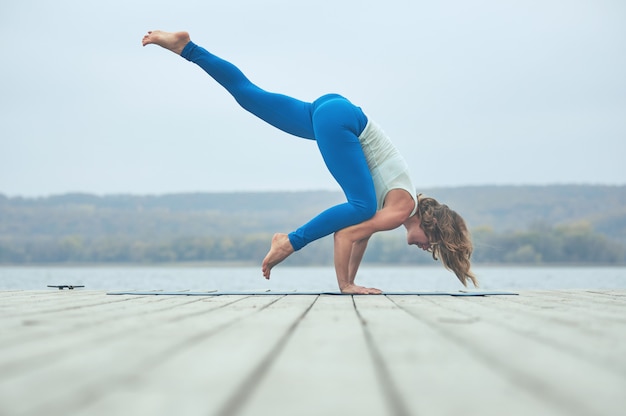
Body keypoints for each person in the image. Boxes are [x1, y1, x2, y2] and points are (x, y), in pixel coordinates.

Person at [142, 30, 477, 294]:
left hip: (332, 110)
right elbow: (344, 236)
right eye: (432, 244)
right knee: (358, 208)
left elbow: (358, 238)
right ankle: (287, 241)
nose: (425, 248)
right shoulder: (400, 210)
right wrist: (345, 286)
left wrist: (352, 282)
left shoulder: (396, 206)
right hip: (342, 122)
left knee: (249, 96)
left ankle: (187, 48)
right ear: (430, 225)